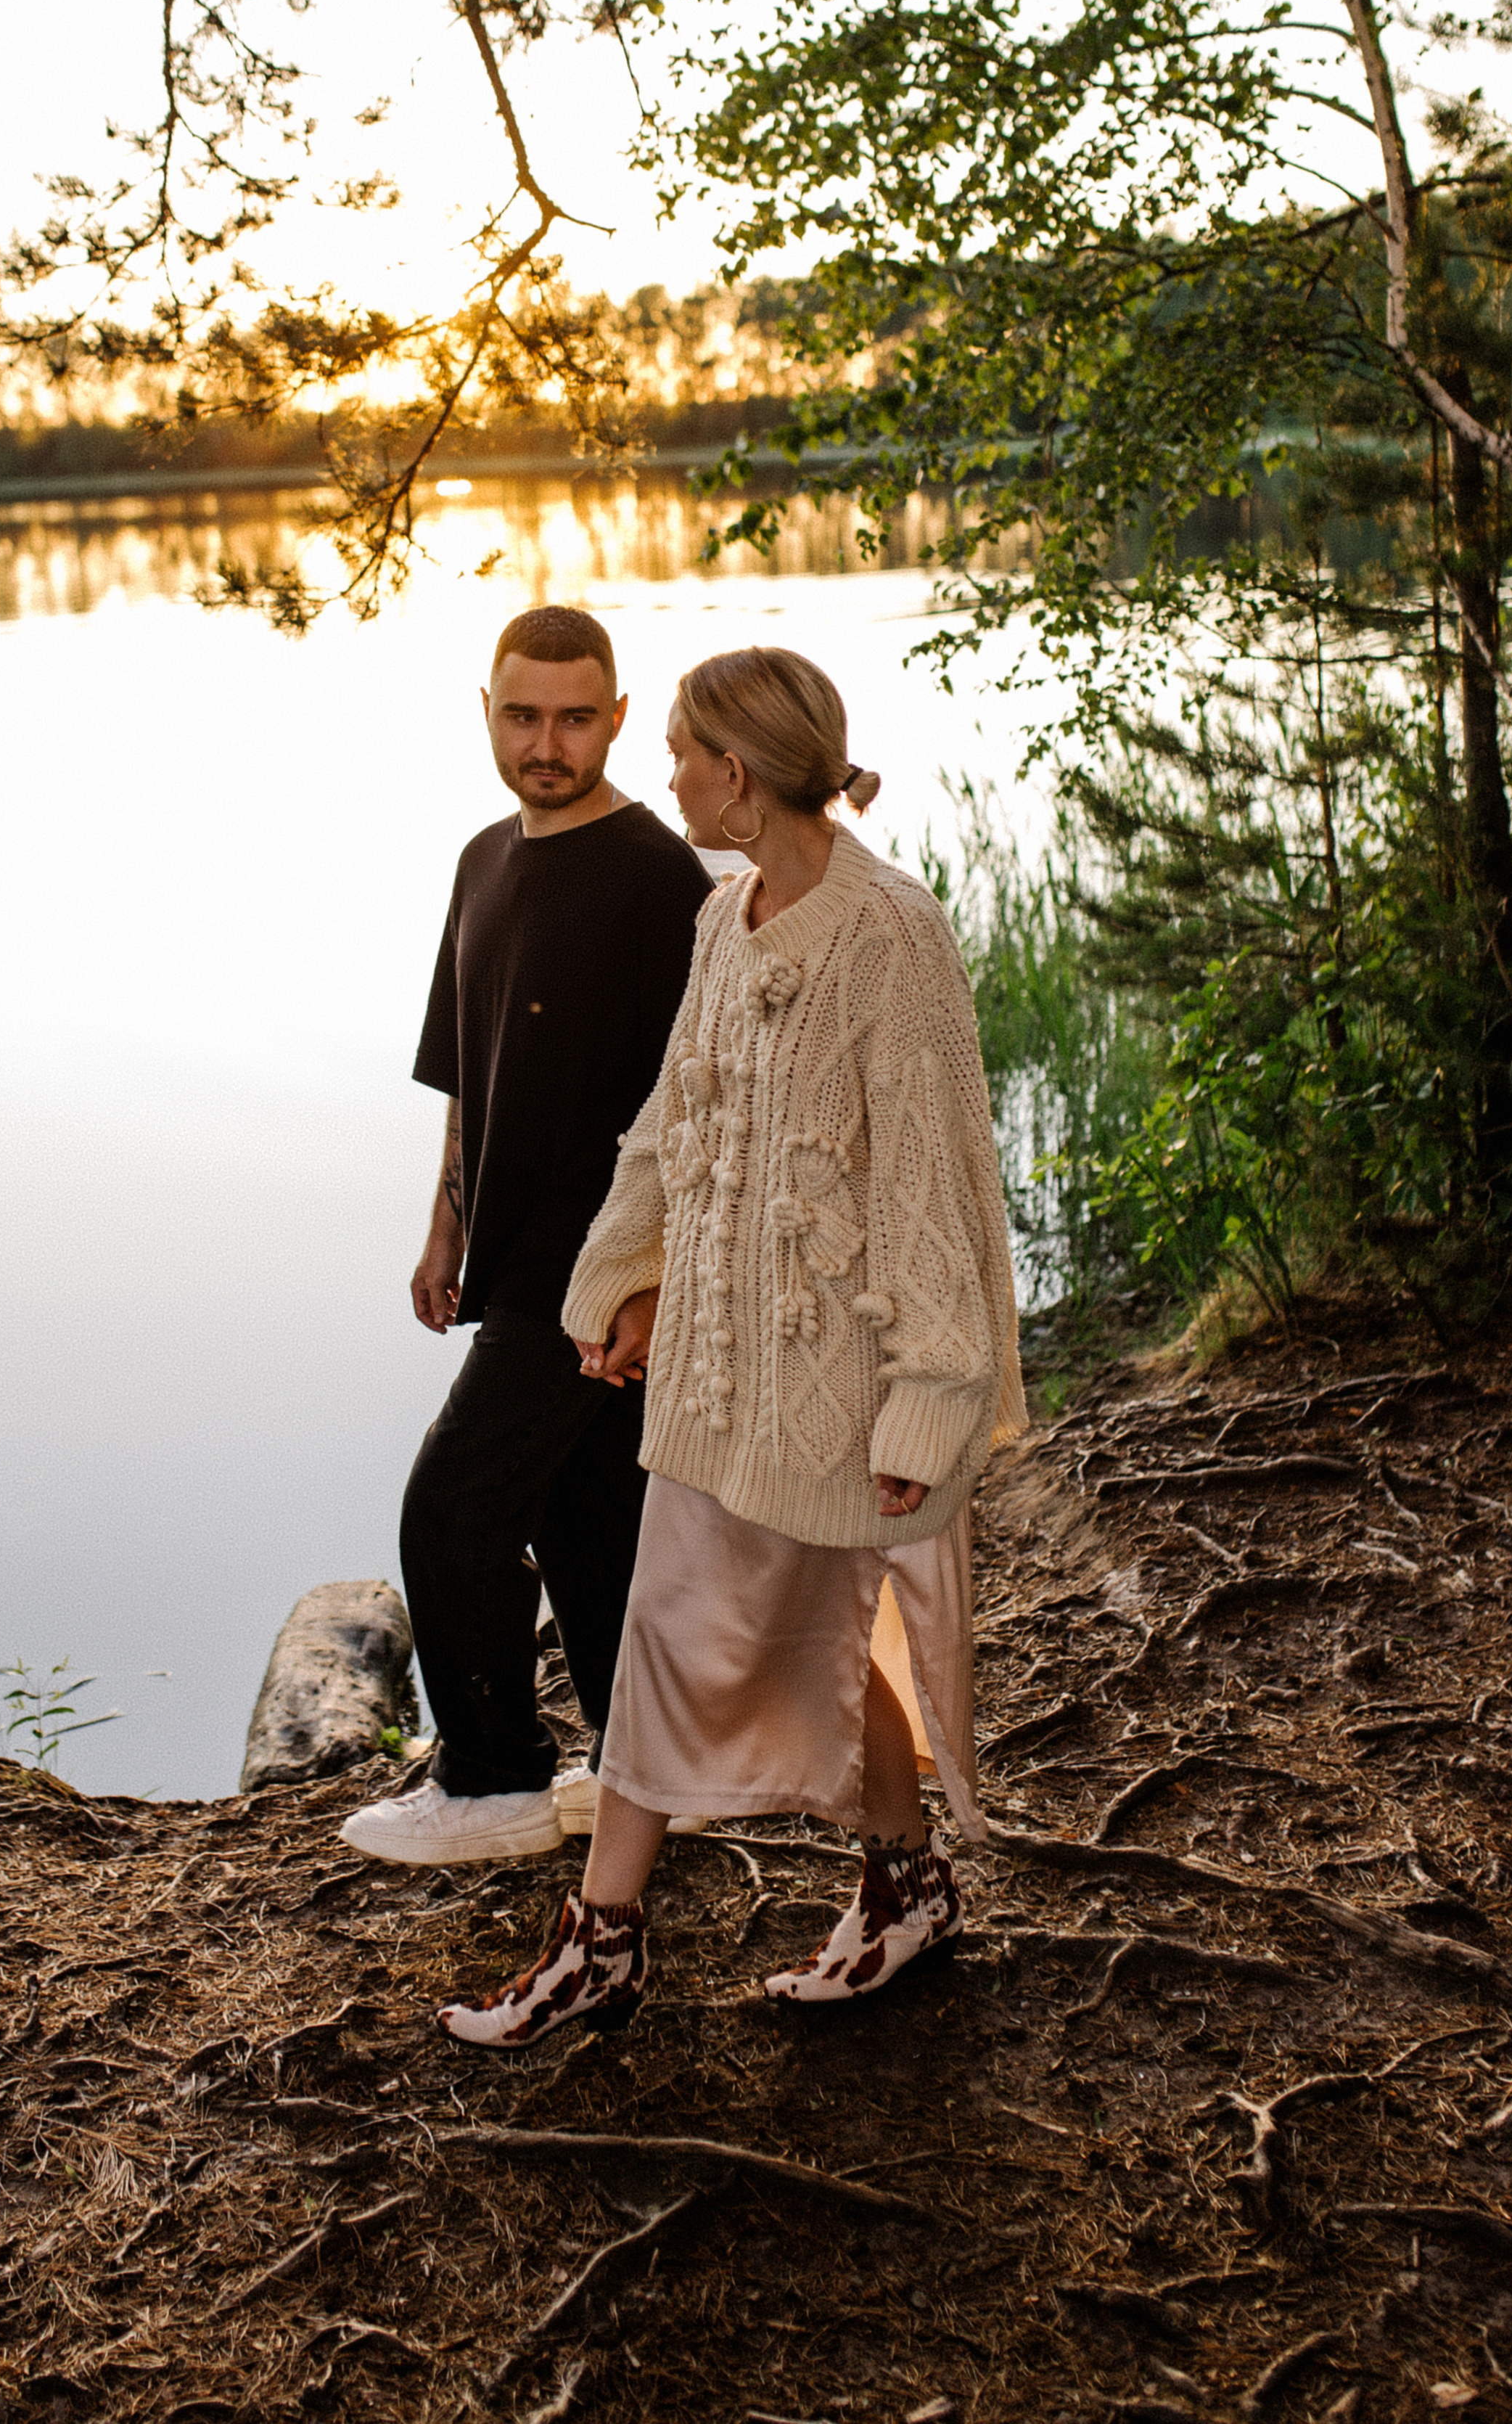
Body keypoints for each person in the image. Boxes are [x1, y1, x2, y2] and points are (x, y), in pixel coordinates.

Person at [437, 644, 1025, 2041]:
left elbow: (937, 1185)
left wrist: (930, 1410)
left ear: (741, 774)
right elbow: (673, 1122)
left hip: (843, 1386)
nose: (668, 775)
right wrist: (620, 1278)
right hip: (718, 1373)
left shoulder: (891, 936)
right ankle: (870, 1891)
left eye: (685, 751)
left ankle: (623, 1938)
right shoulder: (724, 917)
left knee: (728, 1630)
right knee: (693, 1626)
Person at [340, 605, 714, 1867]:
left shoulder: (662, 882)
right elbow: (467, 1071)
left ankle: (495, 1774)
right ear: (488, 713)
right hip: (509, 1255)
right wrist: (442, 1229)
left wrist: (655, 1279)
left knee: (453, 1503)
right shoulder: (482, 861)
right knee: (589, 1513)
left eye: (573, 716)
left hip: (596, 1262)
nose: (545, 742)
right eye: (521, 715)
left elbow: (706, 1102)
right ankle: (636, 1762)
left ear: (616, 715)